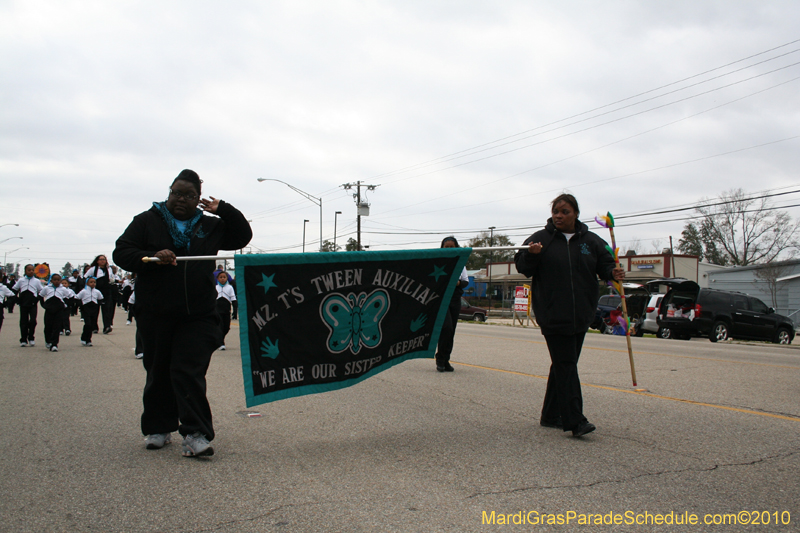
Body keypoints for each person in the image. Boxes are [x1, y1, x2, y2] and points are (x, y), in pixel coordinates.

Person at [113, 169, 252, 458]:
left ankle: (195, 433)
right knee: (158, 370)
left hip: (198, 314)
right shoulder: (146, 220)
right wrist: (150, 258)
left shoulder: (210, 225)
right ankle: (158, 428)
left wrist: (223, 209)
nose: (181, 199)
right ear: (169, 192)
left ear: (198, 199)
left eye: (189, 195)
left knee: (188, 370)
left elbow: (242, 236)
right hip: (156, 312)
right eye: (176, 193)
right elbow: (121, 252)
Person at [514, 193, 624, 437]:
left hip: (582, 314)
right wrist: (532, 254)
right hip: (553, 313)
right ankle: (575, 420)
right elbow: (522, 267)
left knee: (564, 365)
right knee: (566, 365)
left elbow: (605, 265)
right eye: (556, 211)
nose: (559, 216)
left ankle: (550, 415)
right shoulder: (540, 239)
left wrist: (612, 273)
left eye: (565, 212)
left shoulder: (591, 241)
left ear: (575, 214)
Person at [435, 236, 469, 372]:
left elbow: (465, 281)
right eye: (446, 247)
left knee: (451, 331)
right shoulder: (438, 262)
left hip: (454, 298)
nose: (449, 249)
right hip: (442, 298)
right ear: (442, 248)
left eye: (451, 247)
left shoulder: (460, 262)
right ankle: (440, 359)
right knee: (446, 328)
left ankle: (446, 360)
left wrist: (457, 282)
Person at [84, 255, 118, 334]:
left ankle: (107, 326)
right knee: (95, 310)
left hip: (107, 291)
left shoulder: (109, 269)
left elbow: (112, 278)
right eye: (101, 259)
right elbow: (85, 277)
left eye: (104, 259)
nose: (103, 261)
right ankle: (94, 327)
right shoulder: (93, 269)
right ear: (97, 261)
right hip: (96, 291)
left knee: (107, 310)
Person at [13, 265, 44, 347]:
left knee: (33, 321)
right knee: (23, 321)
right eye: (29, 270)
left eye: (32, 270)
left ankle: (31, 337)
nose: (31, 271)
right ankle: (23, 339)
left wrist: (37, 299)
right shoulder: (21, 280)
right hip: (23, 303)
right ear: (25, 271)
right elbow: (14, 289)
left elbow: (41, 291)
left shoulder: (36, 281)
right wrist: (17, 299)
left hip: (32, 304)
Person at [40, 273, 70, 352]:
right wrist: (44, 305)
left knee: (57, 327)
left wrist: (65, 305)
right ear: (51, 280)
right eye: (55, 280)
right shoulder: (47, 288)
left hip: (59, 310)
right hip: (49, 310)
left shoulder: (63, 289)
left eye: (58, 280)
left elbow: (69, 296)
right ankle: (48, 341)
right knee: (48, 326)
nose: (56, 281)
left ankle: (54, 344)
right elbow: (40, 295)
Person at [75, 277, 103, 346]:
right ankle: (84, 338)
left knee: (92, 324)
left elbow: (101, 298)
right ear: (87, 283)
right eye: (91, 282)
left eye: (94, 282)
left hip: (94, 308)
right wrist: (81, 304)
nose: (93, 283)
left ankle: (88, 340)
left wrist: (99, 304)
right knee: (88, 324)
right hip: (86, 308)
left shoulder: (97, 292)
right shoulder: (83, 291)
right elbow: (77, 297)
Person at [215, 271, 236, 351]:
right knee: (220, 326)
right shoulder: (215, 288)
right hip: (217, 310)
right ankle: (221, 343)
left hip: (226, 310)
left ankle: (220, 339)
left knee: (226, 327)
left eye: (224, 277)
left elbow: (233, 299)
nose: (222, 279)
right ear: (217, 279)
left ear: (227, 278)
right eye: (221, 277)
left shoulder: (230, 288)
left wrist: (235, 310)